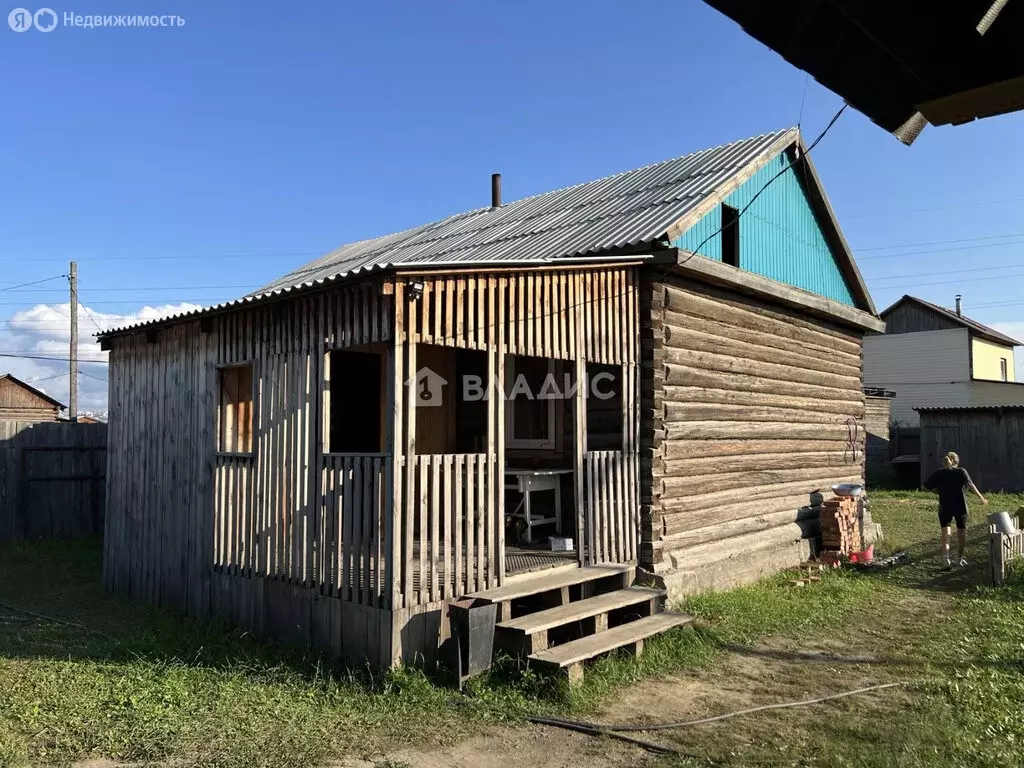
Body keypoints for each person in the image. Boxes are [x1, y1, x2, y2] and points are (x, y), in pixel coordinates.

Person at [922, 451, 988, 568]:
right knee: (961, 534)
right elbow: (970, 485)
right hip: (960, 507)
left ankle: (945, 560)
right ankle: (959, 559)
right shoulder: (961, 471)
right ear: (956, 461)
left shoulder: (939, 473)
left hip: (945, 507)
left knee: (945, 534)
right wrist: (981, 497)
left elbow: (924, 487)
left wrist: (938, 491)